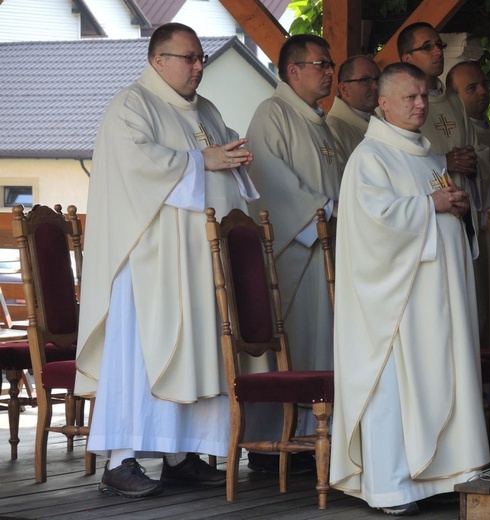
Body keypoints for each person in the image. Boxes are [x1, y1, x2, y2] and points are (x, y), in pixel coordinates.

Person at [75, 23, 258, 498]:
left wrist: (232, 158)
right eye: (189, 58)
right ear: (159, 61)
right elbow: (137, 169)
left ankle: (181, 455)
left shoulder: (209, 111)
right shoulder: (130, 106)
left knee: (195, 355)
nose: (199, 66)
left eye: (201, 58)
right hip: (149, 266)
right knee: (141, 357)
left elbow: (223, 162)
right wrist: (203, 162)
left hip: (198, 263)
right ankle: (121, 459)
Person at [330, 62, 490, 516]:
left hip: (435, 302)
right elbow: (374, 226)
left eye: (423, 96)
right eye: (410, 98)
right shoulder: (370, 158)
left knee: (442, 379)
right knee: (394, 388)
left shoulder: (425, 155)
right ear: (383, 104)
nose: (421, 104)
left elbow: (436, 209)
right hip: (394, 308)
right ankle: (393, 486)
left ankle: (444, 475)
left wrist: (457, 207)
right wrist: (430, 205)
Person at [244, 34, 341, 467]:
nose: (328, 72)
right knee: (301, 343)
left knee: (327, 344)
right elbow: (270, 183)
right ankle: (283, 441)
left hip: (332, 247)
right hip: (297, 252)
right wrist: (322, 213)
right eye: (320, 64)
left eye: (330, 64)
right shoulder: (272, 114)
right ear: (293, 71)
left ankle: (321, 434)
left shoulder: (323, 121)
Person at [447, 60, 490, 349]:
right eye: (471, 88)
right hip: (477, 228)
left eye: (483, 84)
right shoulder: (452, 130)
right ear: (454, 96)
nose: (482, 91)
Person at [326, 55, 381, 171]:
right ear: (344, 89)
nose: (375, 86)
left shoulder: (382, 121)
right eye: (365, 80)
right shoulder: (332, 129)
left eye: (378, 79)